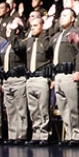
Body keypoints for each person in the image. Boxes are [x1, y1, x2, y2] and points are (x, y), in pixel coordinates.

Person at [50, 9, 79, 146]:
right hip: (59, 75)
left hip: (70, 74)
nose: (61, 17)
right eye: (61, 15)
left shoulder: (76, 32)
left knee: (74, 107)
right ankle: (69, 135)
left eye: (65, 15)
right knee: (63, 109)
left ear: (72, 18)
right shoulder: (57, 36)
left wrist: (78, 71)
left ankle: (77, 136)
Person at [24, 16, 55, 145]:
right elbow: (17, 47)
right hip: (31, 78)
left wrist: (45, 32)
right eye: (31, 26)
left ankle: (44, 135)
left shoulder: (46, 40)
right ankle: (36, 134)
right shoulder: (29, 41)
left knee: (43, 109)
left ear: (42, 26)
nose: (33, 28)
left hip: (42, 78)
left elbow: (49, 51)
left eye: (36, 25)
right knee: (33, 110)